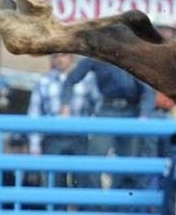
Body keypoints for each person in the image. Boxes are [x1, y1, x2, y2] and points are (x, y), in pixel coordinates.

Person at [60, 58, 156, 190]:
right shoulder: (99, 52)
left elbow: (148, 88)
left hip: (132, 111)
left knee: (128, 164)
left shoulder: (133, 53)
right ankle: (95, 206)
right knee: (94, 159)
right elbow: (71, 79)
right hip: (108, 109)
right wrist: (65, 105)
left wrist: (144, 115)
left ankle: (120, 207)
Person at [27, 52, 100, 187]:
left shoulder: (87, 79)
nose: (59, 59)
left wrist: (92, 133)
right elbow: (35, 113)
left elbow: (97, 105)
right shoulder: (43, 82)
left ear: (71, 58)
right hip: (53, 138)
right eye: (55, 56)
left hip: (80, 137)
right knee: (54, 183)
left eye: (63, 55)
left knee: (83, 182)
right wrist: (34, 145)